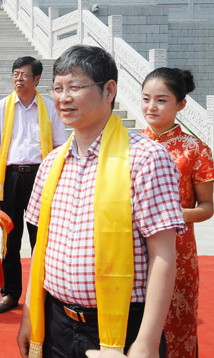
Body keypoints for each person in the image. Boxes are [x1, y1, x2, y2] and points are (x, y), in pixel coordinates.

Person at [16, 45, 184, 358]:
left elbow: (163, 255)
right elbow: (42, 245)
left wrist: (146, 342)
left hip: (121, 323)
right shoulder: (52, 162)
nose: (64, 98)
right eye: (58, 88)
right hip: (56, 323)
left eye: (75, 87)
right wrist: (29, 313)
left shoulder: (146, 158)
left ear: (109, 91)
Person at [140, 67, 213, 358]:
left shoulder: (195, 150)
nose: (150, 107)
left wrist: (173, 215)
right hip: (135, 248)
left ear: (180, 104)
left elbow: (207, 207)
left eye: (161, 100)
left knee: (177, 325)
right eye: (146, 99)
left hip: (178, 252)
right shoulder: (129, 146)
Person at [0, 56, 67, 314]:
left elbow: (58, 146)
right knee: (9, 236)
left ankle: (42, 292)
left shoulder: (51, 109)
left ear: (37, 79)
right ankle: (10, 293)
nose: (19, 79)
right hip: (9, 178)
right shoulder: (1, 108)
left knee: (39, 237)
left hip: (40, 176)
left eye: (24, 75)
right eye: (15, 74)